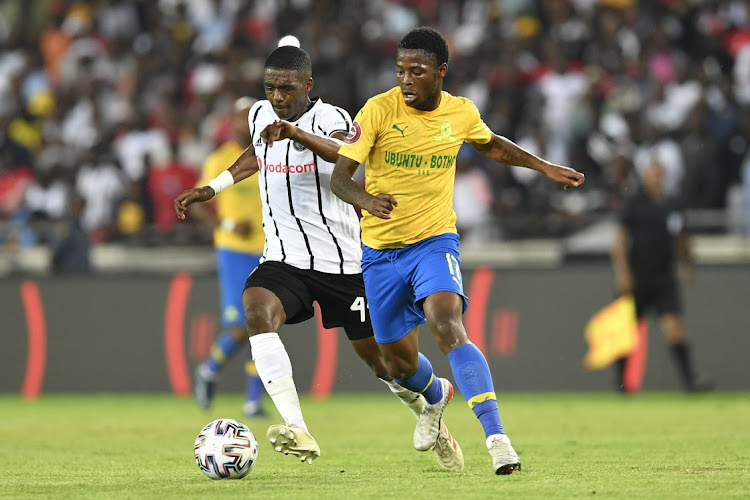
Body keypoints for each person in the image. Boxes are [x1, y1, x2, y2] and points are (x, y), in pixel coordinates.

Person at [175, 41, 464, 470]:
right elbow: (255, 153)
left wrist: (294, 133)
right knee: (256, 309)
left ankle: (432, 405)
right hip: (284, 259)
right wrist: (212, 188)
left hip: (344, 262)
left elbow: (346, 157)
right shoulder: (259, 115)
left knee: (386, 364)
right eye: (271, 88)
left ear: (308, 85)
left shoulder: (333, 118)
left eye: (287, 89)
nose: (277, 98)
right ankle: (297, 427)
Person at [330, 27, 585, 475]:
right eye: (401, 71)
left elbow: (492, 146)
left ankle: (497, 440)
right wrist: (368, 200)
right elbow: (340, 178)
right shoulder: (376, 111)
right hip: (380, 253)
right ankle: (435, 395)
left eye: (418, 71)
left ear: (441, 72)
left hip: (434, 241)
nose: (406, 80)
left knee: (447, 322)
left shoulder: (461, 113)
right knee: (395, 363)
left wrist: (543, 166)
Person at [190, 97, 267, 418]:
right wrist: (229, 224)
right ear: (231, 122)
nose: (244, 123)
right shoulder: (218, 159)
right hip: (234, 251)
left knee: (265, 325)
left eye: (251, 118)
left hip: (269, 250)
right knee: (241, 327)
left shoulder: (269, 156)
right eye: (240, 118)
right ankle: (209, 370)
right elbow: (197, 205)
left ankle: (253, 402)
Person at [611, 158, 710, 393]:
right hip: (638, 277)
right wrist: (623, 272)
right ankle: (620, 385)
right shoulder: (635, 203)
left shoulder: (673, 205)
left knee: (674, 327)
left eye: (660, 172)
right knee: (627, 332)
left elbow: (682, 239)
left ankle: (690, 382)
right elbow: (620, 242)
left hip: (664, 277)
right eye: (653, 172)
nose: (656, 176)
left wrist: (686, 264)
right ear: (646, 175)